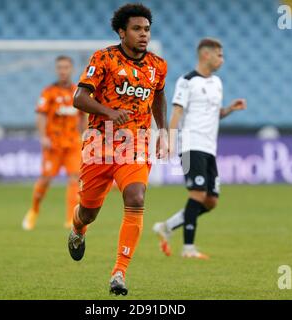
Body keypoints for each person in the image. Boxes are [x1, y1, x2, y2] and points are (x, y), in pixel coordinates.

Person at [69, 3, 168, 295]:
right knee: (88, 212)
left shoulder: (157, 66)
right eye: (137, 29)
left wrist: (162, 130)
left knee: (136, 197)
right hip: (99, 144)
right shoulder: (104, 59)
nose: (144, 35)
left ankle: (119, 273)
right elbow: (79, 97)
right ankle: (77, 230)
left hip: (135, 144)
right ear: (122, 32)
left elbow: (158, 96)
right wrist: (109, 112)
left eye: (147, 29)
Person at [153, 38, 247, 259]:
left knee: (210, 201)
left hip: (209, 147)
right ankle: (188, 249)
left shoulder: (217, 83)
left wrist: (230, 109)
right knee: (198, 194)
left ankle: (166, 227)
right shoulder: (186, 82)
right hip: (190, 145)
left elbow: (215, 114)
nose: (222, 59)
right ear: (206, 55)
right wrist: (168, 140)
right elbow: (176, 113)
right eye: (219, 55)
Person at [23, 56, 87, 230]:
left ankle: (70, 219)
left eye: (66, 67)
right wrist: (43, 136)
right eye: (60, 67)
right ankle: (34, 210)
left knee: (75, 178)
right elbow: (41, 115)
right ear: (56, 70)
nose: (63, 70)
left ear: (71, 69)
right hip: (54, 143)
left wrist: (87, 137)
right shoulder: (48, 92)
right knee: (45, 179)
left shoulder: (77, 92)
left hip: (73, 142)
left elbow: (83, 117)